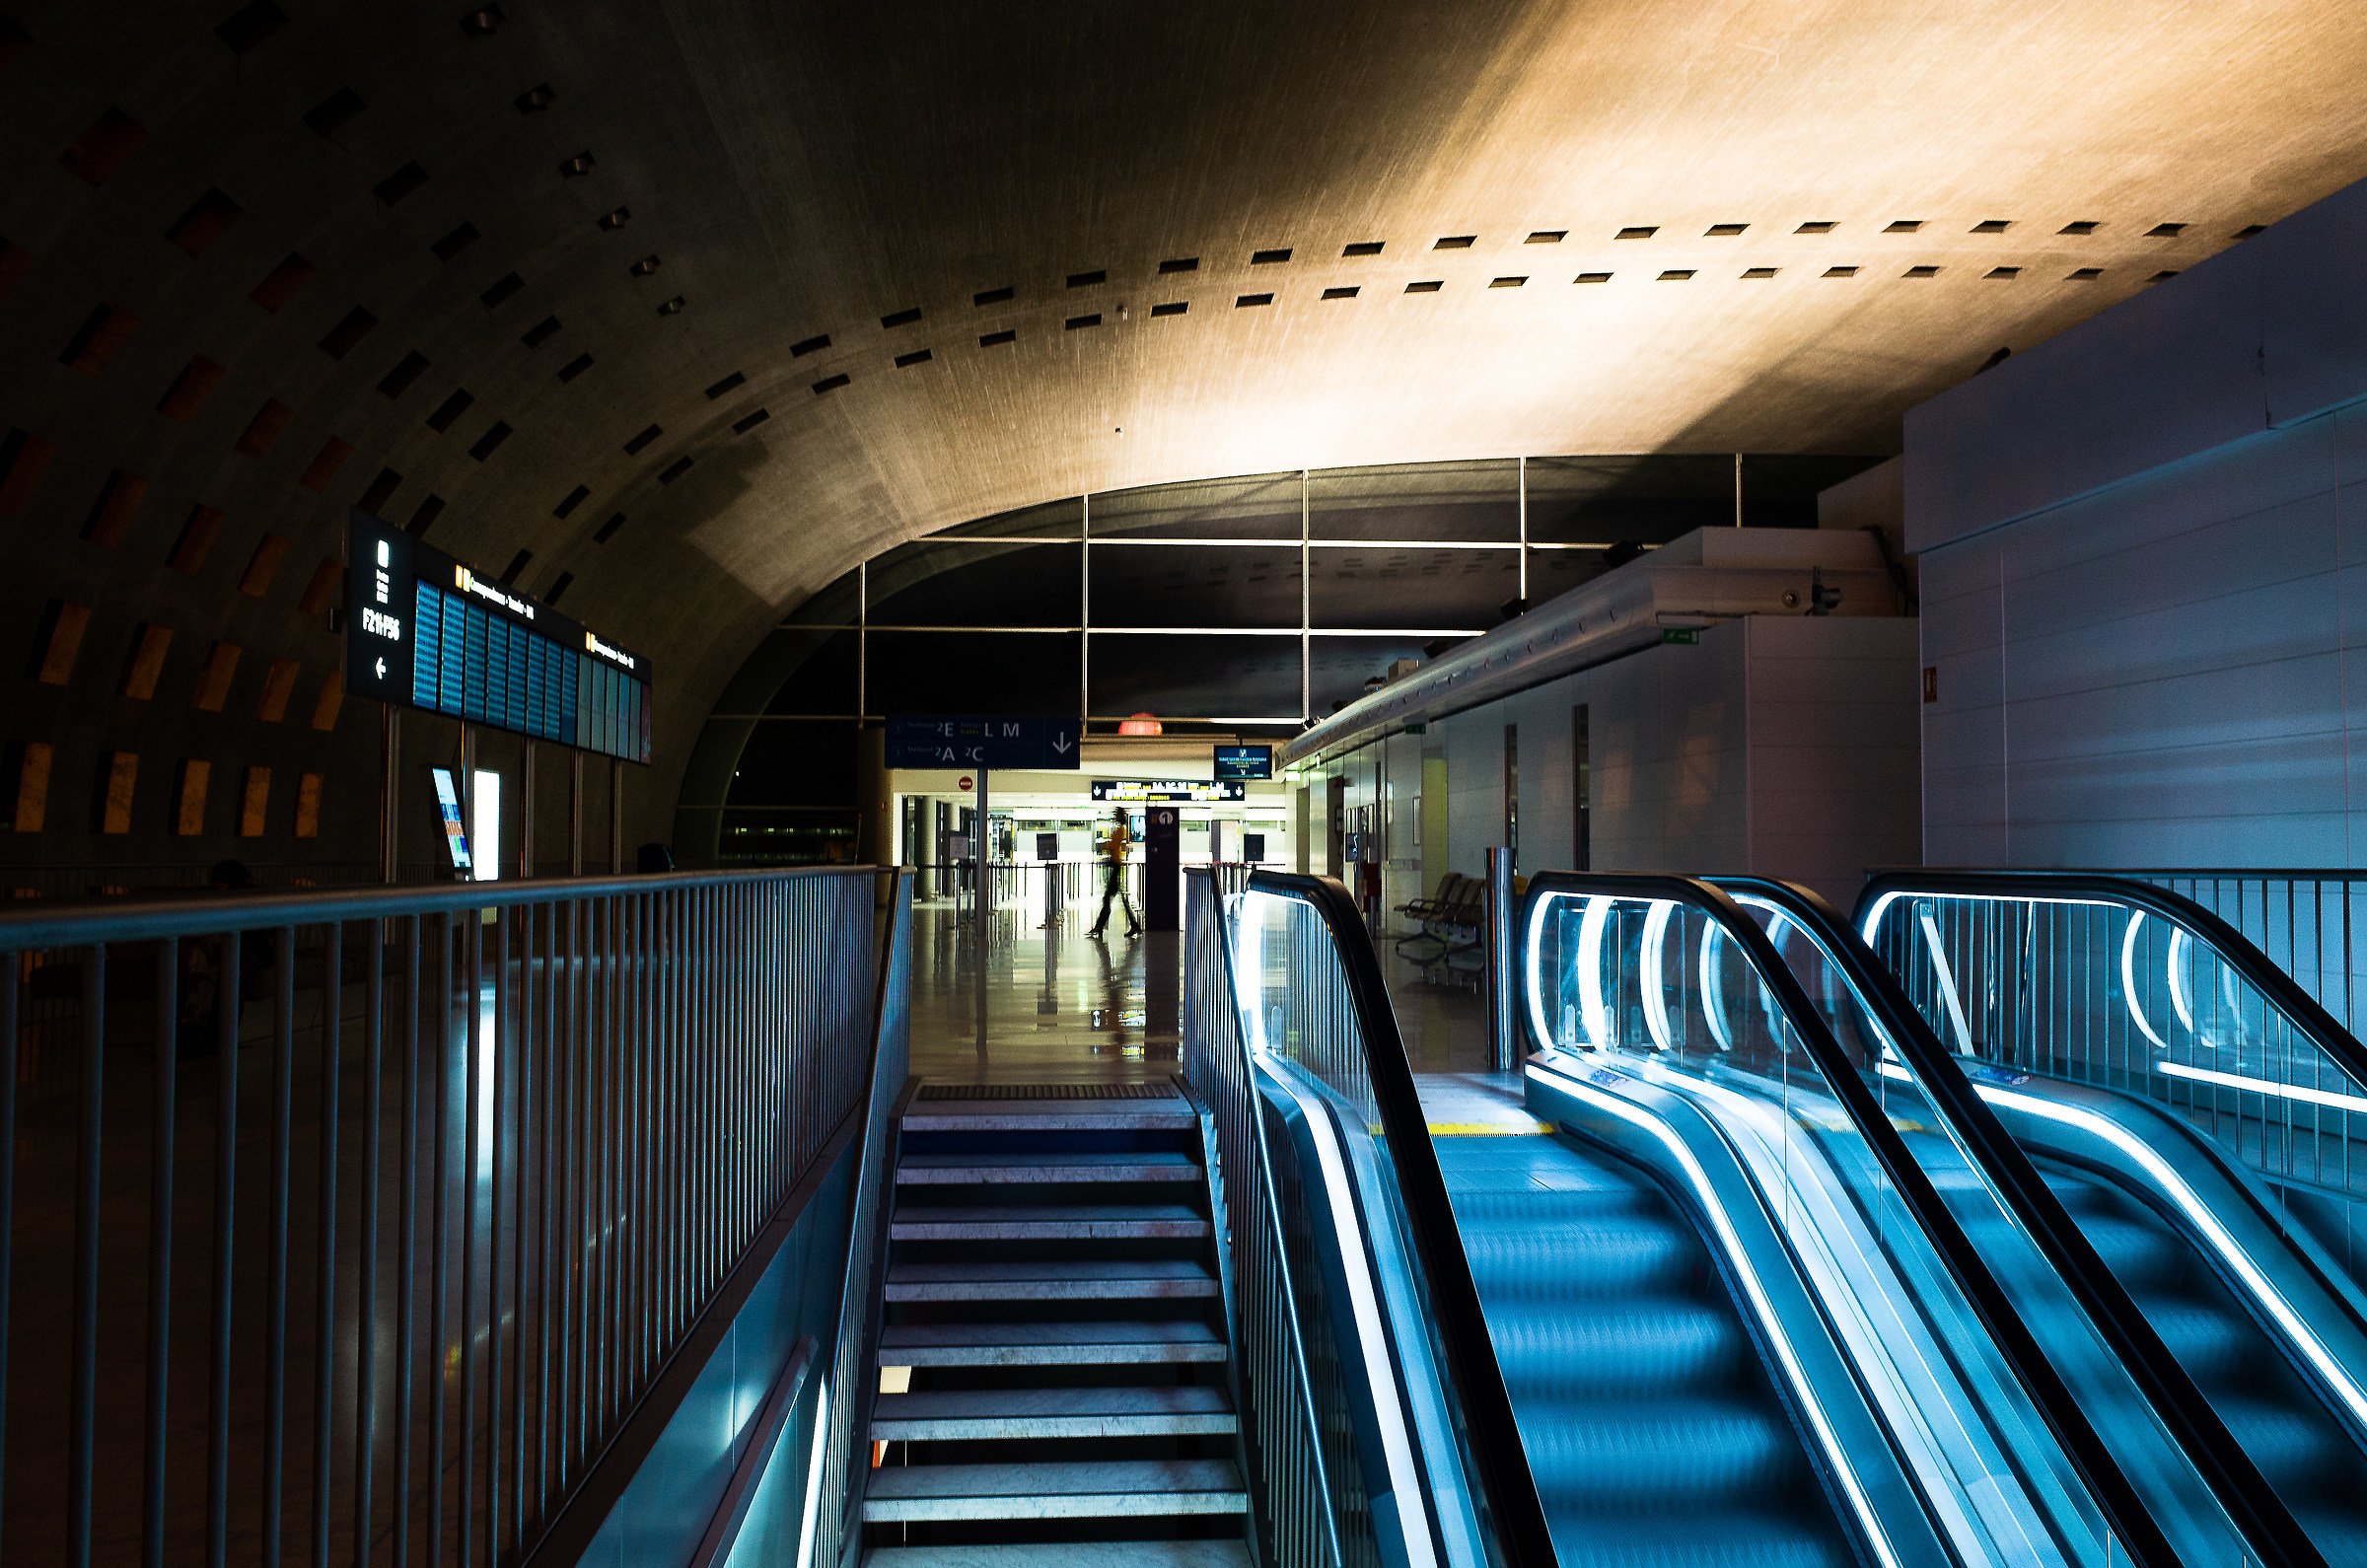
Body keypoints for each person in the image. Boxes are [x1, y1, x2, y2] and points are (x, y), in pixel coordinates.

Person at [1088, 806, 1141, 938]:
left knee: (1109, 899)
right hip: (1115, 865)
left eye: (1116, 814)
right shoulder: (1119, 830)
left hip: (1115, 866)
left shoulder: (1120, 830)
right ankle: (1131, 925)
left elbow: (1112, 846)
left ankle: (1100, 926)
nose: (1115, 816)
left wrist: (1104, 846)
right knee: (1116, 899)